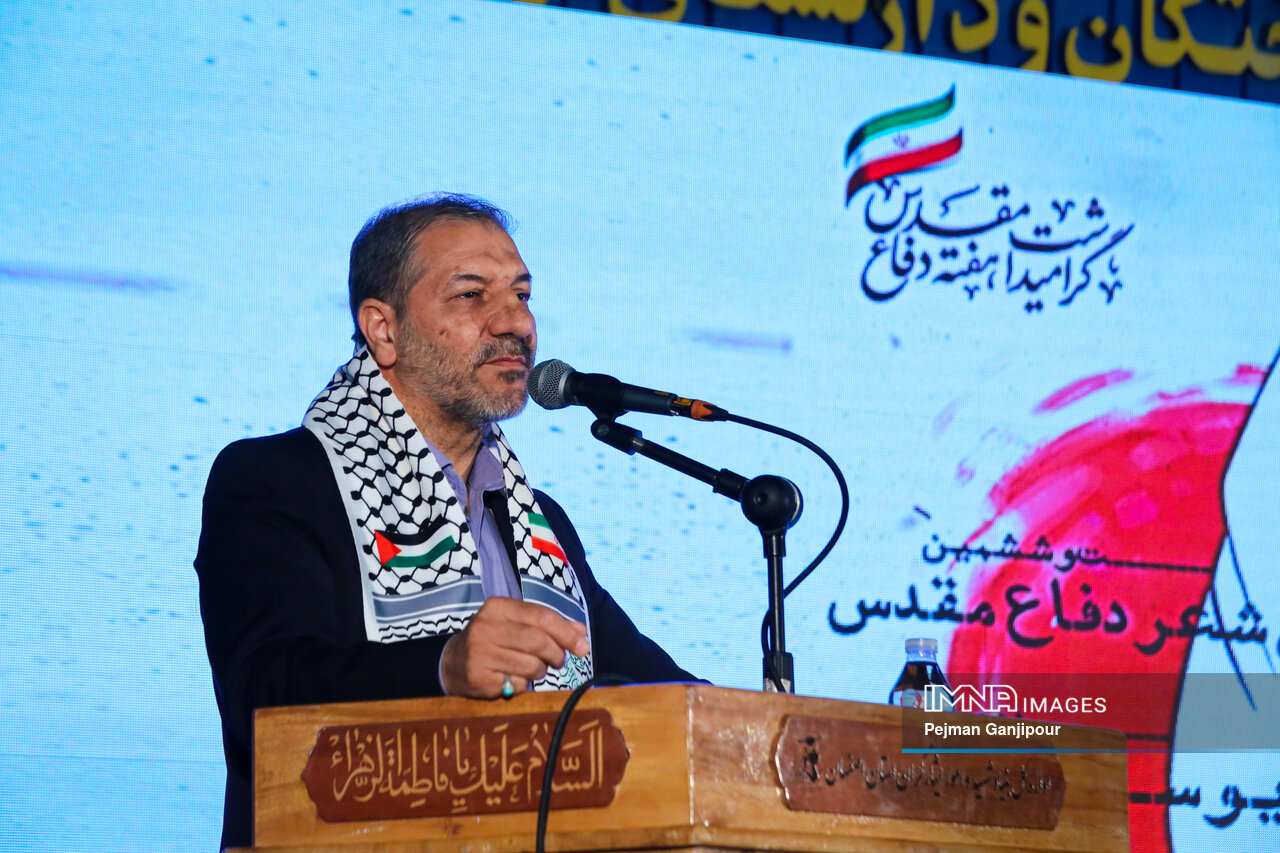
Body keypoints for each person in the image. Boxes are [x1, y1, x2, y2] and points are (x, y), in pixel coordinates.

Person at [194, 194, 696, 851]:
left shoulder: (539, 523)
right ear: (383, 329)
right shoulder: (277, 481)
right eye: (471, 295)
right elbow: (264, 695)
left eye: (522, 295)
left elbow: (659, 691)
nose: (515, 322)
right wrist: (443, 666)